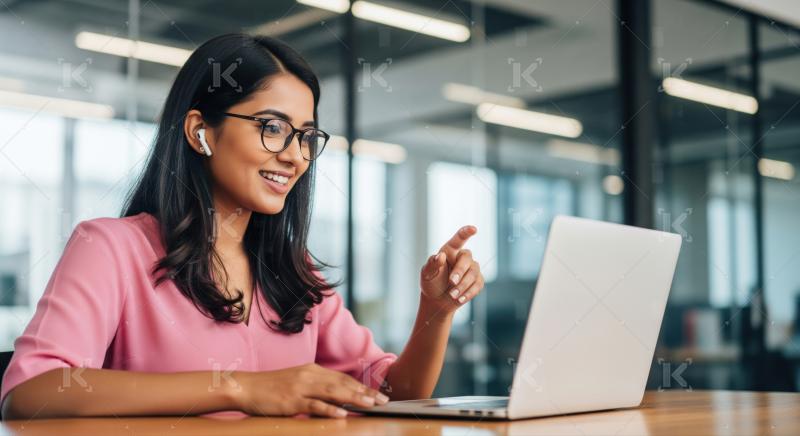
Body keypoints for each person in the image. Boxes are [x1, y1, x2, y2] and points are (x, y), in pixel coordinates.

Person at [1, 34, 485, 419]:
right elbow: (32, 390)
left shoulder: (295, 276)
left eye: (306, 136)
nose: (295, 156)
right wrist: (239, 388)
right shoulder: (111, 247)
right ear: (200, 132)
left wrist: (436, 311)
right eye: (272, 128)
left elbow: (392, 393)